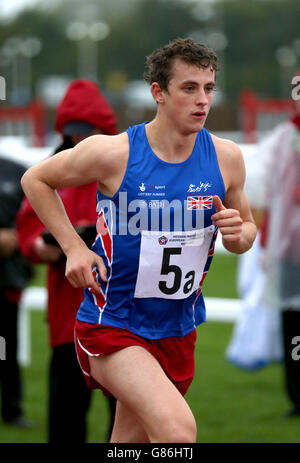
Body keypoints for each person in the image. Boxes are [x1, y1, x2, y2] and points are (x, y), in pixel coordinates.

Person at [20, 38, 256, 443]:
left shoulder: (226, 157)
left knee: (132, 442)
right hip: (113, 323)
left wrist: (238, 233)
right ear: (158, 93)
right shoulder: (115, 152)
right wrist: (74, 247)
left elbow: (246, 232)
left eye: (209, 88)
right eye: (189, 88)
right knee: (177, 432)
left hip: (177, 327)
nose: (203, 100)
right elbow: (36, 179)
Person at [17, 79, 117, 442]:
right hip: (68, 311)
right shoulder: (50, 172)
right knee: (65, 410)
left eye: (85, 132)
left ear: (103, 129)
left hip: (118, 310)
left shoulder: (121, 166)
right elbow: (28, 225)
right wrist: (36, 247)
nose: (78, 140)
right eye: (72, 132)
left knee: (124, 413)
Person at [259, 71, 300, 417]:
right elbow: (268, 198)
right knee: (293, 325)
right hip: (290, 254)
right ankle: (298, 395)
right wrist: (264, 246)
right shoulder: (283, 138)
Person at [0, 156, 33, 428]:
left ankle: (11, 409)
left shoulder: (16, 172)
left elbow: (33, 222)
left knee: (5, 348)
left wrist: (16, 238)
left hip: (5, 282)